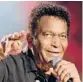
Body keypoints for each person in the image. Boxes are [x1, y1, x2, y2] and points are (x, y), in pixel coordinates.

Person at [0, 3, 81, 82]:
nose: (56, 44)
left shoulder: (65, 76)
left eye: (62, 36)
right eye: (48, 35)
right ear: (30, 39)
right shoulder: (9, 66)